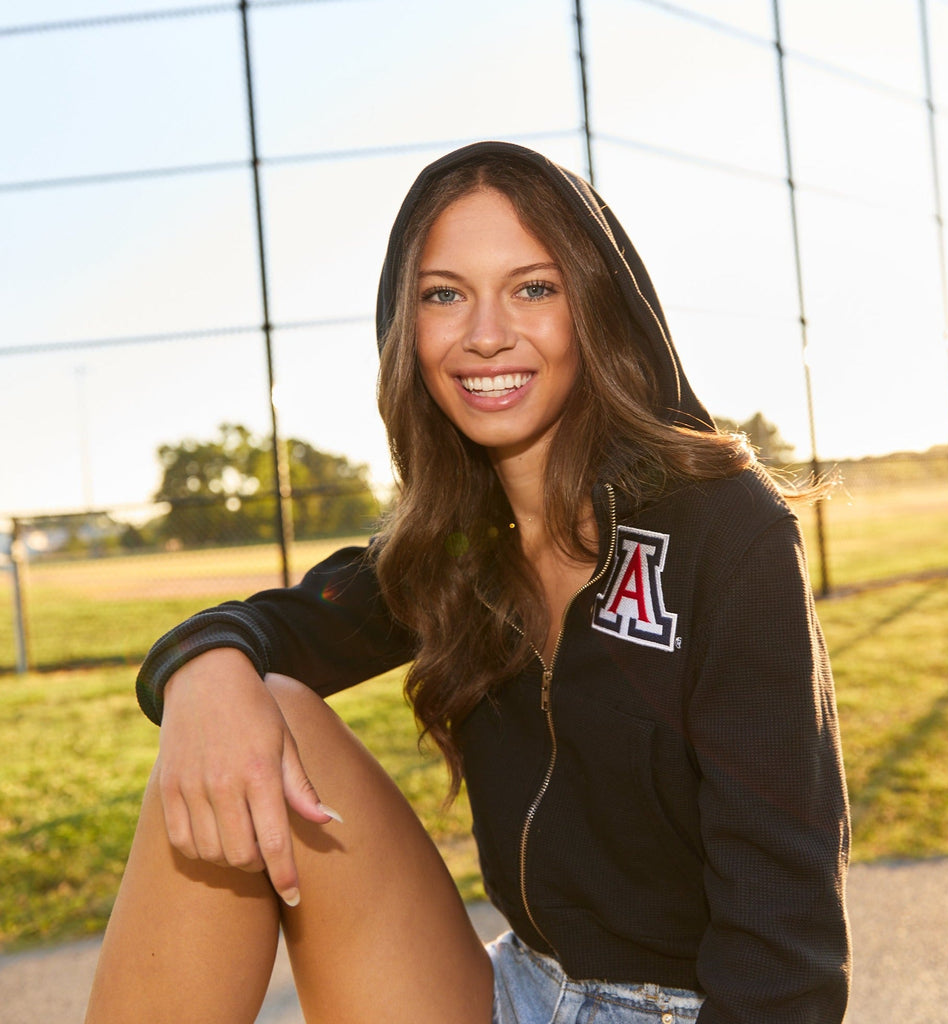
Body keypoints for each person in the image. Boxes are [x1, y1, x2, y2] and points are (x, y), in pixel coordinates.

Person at [86, 141, 850, 1024]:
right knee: (268, 712)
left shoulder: (725, 529)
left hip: (686, 1010)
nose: (486, 333)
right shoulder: (461, 539)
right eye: (444, 294)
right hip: (516, 987)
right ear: (405, 330)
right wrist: (197, 670)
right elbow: (285, 628)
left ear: (596, 305)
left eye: (534, 287)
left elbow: (788, 942)